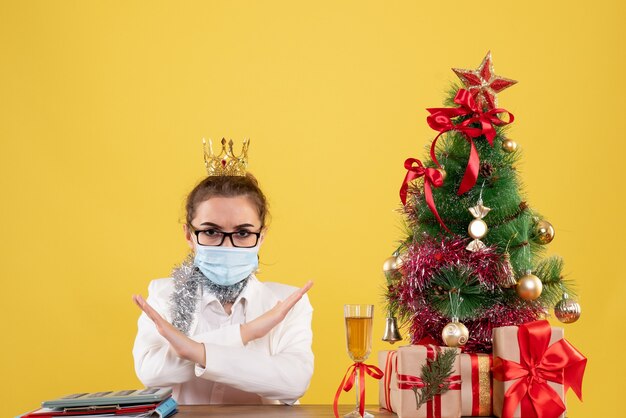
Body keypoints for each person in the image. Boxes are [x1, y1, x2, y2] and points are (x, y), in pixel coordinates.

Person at [132, 140, 314, 405]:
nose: (227, 245)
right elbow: (151, 372)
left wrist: (195, 350)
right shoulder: (163, 294)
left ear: (261, 237)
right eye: (211, 231)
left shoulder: (287, 303)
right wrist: (246, 333)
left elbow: (293, 382)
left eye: (242, 233)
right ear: (189, 235)